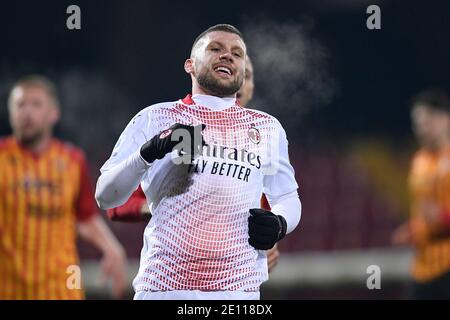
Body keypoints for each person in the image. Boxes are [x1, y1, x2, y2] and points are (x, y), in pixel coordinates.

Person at [95, 24, 301, 300]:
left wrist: (279, 223)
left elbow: (287, 197)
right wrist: (147, 153)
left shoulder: (266, 128)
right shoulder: (155, 117)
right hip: (164, 287)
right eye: (215, 49)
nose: (227, 56)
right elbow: (106, 197)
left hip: (236, 291)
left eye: (237, 54)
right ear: (190, 65)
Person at [106, 55, 281, 273]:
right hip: (177, 273)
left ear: (252, 87)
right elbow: (115, 204)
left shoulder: (260, 143)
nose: (239, 79)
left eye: (247, 75)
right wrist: (161, 207)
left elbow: (272, 207)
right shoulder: (182, 131)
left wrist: (269, 237)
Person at [0, 75, 127, 299]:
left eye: (36, 104)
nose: (27, 112)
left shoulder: (72, 160)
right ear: (11, 112)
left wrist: (111, 247)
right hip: (10, 286)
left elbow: (84, 216)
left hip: (61, 287)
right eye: (20, 105)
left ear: (54, 113)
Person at [392, 89, 450, 299]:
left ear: (445, 119)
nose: (421, 129)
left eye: (427, 121)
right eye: (417, 123)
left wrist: (443, 219)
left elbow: (439, 216)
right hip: (423, 268)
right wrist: (413, 229)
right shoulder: (419, 162)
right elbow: (423, 213)